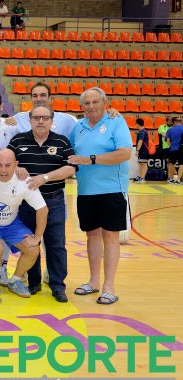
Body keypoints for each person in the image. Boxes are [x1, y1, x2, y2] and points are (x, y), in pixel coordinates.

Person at [68, 88, 132, 305]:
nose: (91, 106)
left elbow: (125, 153)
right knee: (92, 236)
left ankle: (109, 287)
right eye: (87, 103)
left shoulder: (116, 122)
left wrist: (92, 159)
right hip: (86, 191)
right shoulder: (78, 127)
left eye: (96, 102)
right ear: (82, 106)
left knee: (111, 236)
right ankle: (94, 281)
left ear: (105, 103)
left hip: (113, 190)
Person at [7, 106, 77, 302]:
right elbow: (5, 162)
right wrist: (16, 168)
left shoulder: (62, 141)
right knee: (30, 243)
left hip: (53, 199)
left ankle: (57, 285)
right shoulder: (18, 140)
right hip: (26, 203)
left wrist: (45, 178)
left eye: (45, 118)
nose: (40, 121)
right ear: (29, 120)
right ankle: (34, 282)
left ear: (51, 121)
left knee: (56, 244)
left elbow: (71, 168)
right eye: (36, 117)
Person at [0, 150, 46, 298]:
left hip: (11, 224)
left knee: (33, 249)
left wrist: (37, 237)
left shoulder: (25, 181)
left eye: (8, 165)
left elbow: (43, 209)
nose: (3, 170)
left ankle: (15, 281)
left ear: (16, 165)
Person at [14, 82, 78, 137]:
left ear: (49, 98)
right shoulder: (18, 119)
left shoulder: (66, 120)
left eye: (43, 95)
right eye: (35, 96)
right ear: (31, 98)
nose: (38, 99)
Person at [165, 117, 183, 184]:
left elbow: (167, 140)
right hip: (181, 149)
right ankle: (178, 180)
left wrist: (171, 146)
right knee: (182, 164)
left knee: (172, 163)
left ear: (173, 122)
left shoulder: (170, 130)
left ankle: (171, 179)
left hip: (173, 149)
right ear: (180, 121)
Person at [158, 116, 173, 182]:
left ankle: (171, 176)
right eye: (169, 121)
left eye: (172, 121)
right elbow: (164, 135)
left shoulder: (173, 127)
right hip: (165, 147)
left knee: (172, 162)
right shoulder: (162, 127)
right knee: (169, 162)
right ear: (166, 121)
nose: (171, 122)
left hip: (174, 147)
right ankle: (170, 177)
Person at [134, 117, 149, 182]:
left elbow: (140, 141)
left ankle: (142, 177)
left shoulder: (142, 132)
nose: (135, 125)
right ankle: (140, 176)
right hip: (142, 150)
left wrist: (137, 150)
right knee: (140, 163)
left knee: (144, 163)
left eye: (136, 123)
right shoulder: (143, 131)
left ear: (138, 124)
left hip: (143, 150)